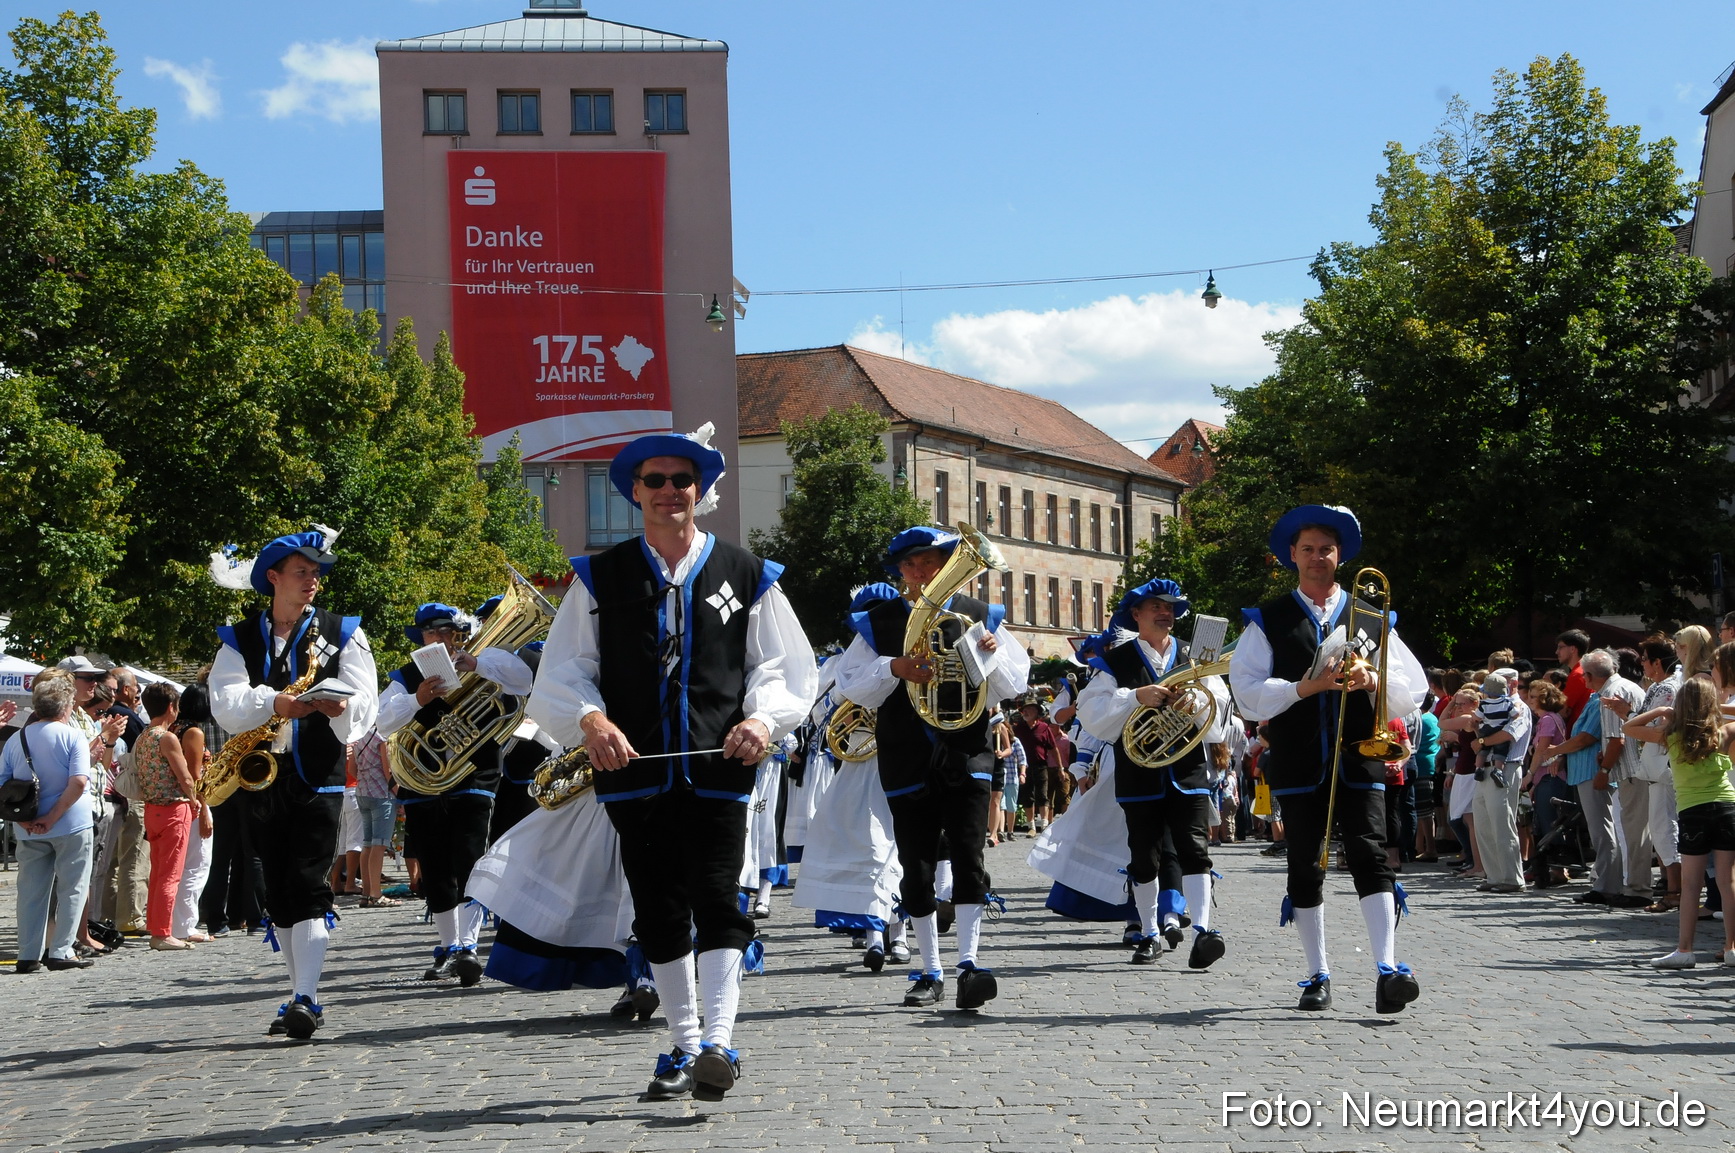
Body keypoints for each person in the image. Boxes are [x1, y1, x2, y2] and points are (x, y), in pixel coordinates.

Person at [526, 425, 817, 1101]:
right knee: (657, 909)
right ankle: (683, 1042)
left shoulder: (748, 573)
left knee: (718, 897)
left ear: (700, 490)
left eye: (680, 480)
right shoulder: (598, 575)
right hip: (632, 772)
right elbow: (566, 668)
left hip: (720, 766)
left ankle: (717, 1039)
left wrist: (759, 717)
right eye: (653, 481)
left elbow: (783, 666)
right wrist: (591, 719)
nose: (668, 492)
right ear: (634, 492)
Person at [1227, 505, 1426, 1014]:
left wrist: (1373, 680)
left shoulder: (1371, 617)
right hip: (1297, 759)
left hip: (1360, 756)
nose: (1318, 558)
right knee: (1304, 863)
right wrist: (1305, 687)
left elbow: (1413, 690)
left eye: (1327, 550)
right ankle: (1317, 974)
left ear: (1341, 557)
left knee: (1370, 853)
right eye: (1308, 549)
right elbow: (1247, 695)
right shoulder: (1265, 620)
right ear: (1292, 556)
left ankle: (1387, 968)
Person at [833, 525, 1030, 1012]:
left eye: (932, 563)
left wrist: (989, 653)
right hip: (906, 753)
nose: (922, 573)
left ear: (948, 567)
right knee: (916, 867)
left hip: (969, 751)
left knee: (969, 858)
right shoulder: (879, 622)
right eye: (912, 565)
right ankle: (930, 968)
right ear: (899, 571)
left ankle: (968, 963)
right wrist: (894, 668)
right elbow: (852, 686)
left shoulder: (981, 616)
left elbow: (1014, 683)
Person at [209, 526, 380, 1038]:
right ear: (274, 577)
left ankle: (307, 996)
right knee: (279, 889)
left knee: (307, 882)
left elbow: (366, 700)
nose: (313, 582)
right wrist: (276, 702)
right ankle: (295, 993)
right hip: (260, 776)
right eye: (302, 572)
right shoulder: (238, 639)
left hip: (316, 773)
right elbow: (227, 702)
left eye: (317, 574)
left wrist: (341, 707)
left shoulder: (342, 631)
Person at [1076, 578, 1232, 968]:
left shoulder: (1196, 657)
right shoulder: (1116, 660)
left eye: (1171, 608)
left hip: (1187, 768)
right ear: (1137, 614)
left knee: (1195, 851)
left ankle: (1203, 931)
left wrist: (1193, 701)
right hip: (1139, 771)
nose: (1166, 613)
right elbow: (1091, 713)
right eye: (1156, 607)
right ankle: (1148, 932)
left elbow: (1220, 712)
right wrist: (1135, 697)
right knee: (1143, 856)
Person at [376, 601, 533, 987]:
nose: (442, 639)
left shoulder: (484, 657)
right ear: (422, 638)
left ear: (460, 633)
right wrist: (418, 700)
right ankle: (449, 946)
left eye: (448, 632)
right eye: (433, 633)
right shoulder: (405, 676)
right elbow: (381, 722)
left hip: (474, 773)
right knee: (434, 866)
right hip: (422, 778)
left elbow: (524, 681)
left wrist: (475, 665)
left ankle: (468, 945)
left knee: (470, 857)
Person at [1623, 677, 1735, 969]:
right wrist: (1716, 709)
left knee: (1690, 885)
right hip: (1727, 807)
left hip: (1694, 812)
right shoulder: (1722, 733)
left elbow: (1628, 728)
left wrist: (1662, 712)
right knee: (1728, 881)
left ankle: (1685, 949)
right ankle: (1731, 947)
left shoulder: (1670, 734)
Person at [4, 672, 97, 972]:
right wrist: (53, 816)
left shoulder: (17, 738)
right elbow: (79, 782)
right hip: (70, 822)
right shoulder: (73, 736)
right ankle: (61, 950)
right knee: (73, 887)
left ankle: (28, 954)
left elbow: (3, 784)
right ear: (66, 706)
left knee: (31, 891)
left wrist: (28, 821)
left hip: (28, 826)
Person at [1550, 649, 1634, 907]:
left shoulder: (1607, 695)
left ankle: (1607, 886)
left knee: (1603, 830)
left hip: (1594, 772)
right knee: (1601, 830)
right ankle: (1605, 881)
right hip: (1588, 770)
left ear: (1588, 675)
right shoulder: (1598, 695)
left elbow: (1589, 737)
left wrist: (1555, 751)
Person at [133, 682, 200, 950]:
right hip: (173, 808)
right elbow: (185, 775)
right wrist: (195, 799)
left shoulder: (143, 736)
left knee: (159, 872)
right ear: (171, 707)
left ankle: (157, 927)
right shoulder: (167, 737)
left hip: (152, 809)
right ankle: (162, 933)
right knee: (170, 874)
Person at [170, 684, 217, 943]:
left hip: (174, 803)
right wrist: (205, 810)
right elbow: (195, 776)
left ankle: (179, 922)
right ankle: (186, 924)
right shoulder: (194, 732)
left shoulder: (173, 728)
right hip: (193, 803)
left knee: (179, 867)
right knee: (196, 866)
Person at [1520, 680, 1573, 888]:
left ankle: (1556, 870)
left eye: (1533, 696)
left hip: (1549, 778)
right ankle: (1551, 869)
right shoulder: (1549, 719)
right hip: (1547, 777)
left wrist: (1529, 775)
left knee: (1549, 823)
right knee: (1545, 823)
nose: (1529, 700)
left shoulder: (1548, 720)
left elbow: (1542, 750)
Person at [351, 730, 398, 907]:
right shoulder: (382, 738)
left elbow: (351, 769)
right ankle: (376, 894)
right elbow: (388, 772)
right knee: (379, 845)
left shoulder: (359, 735)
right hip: (381, 794)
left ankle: (366, 893)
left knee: (368, 844)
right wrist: (400, 796)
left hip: (363, 792)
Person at [1556, 630, 1591, 723]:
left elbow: (1562, 710)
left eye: (1560, 647)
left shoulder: (1578, 675)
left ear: (1572, 649)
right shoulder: (1583, 671)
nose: (1557, 652)